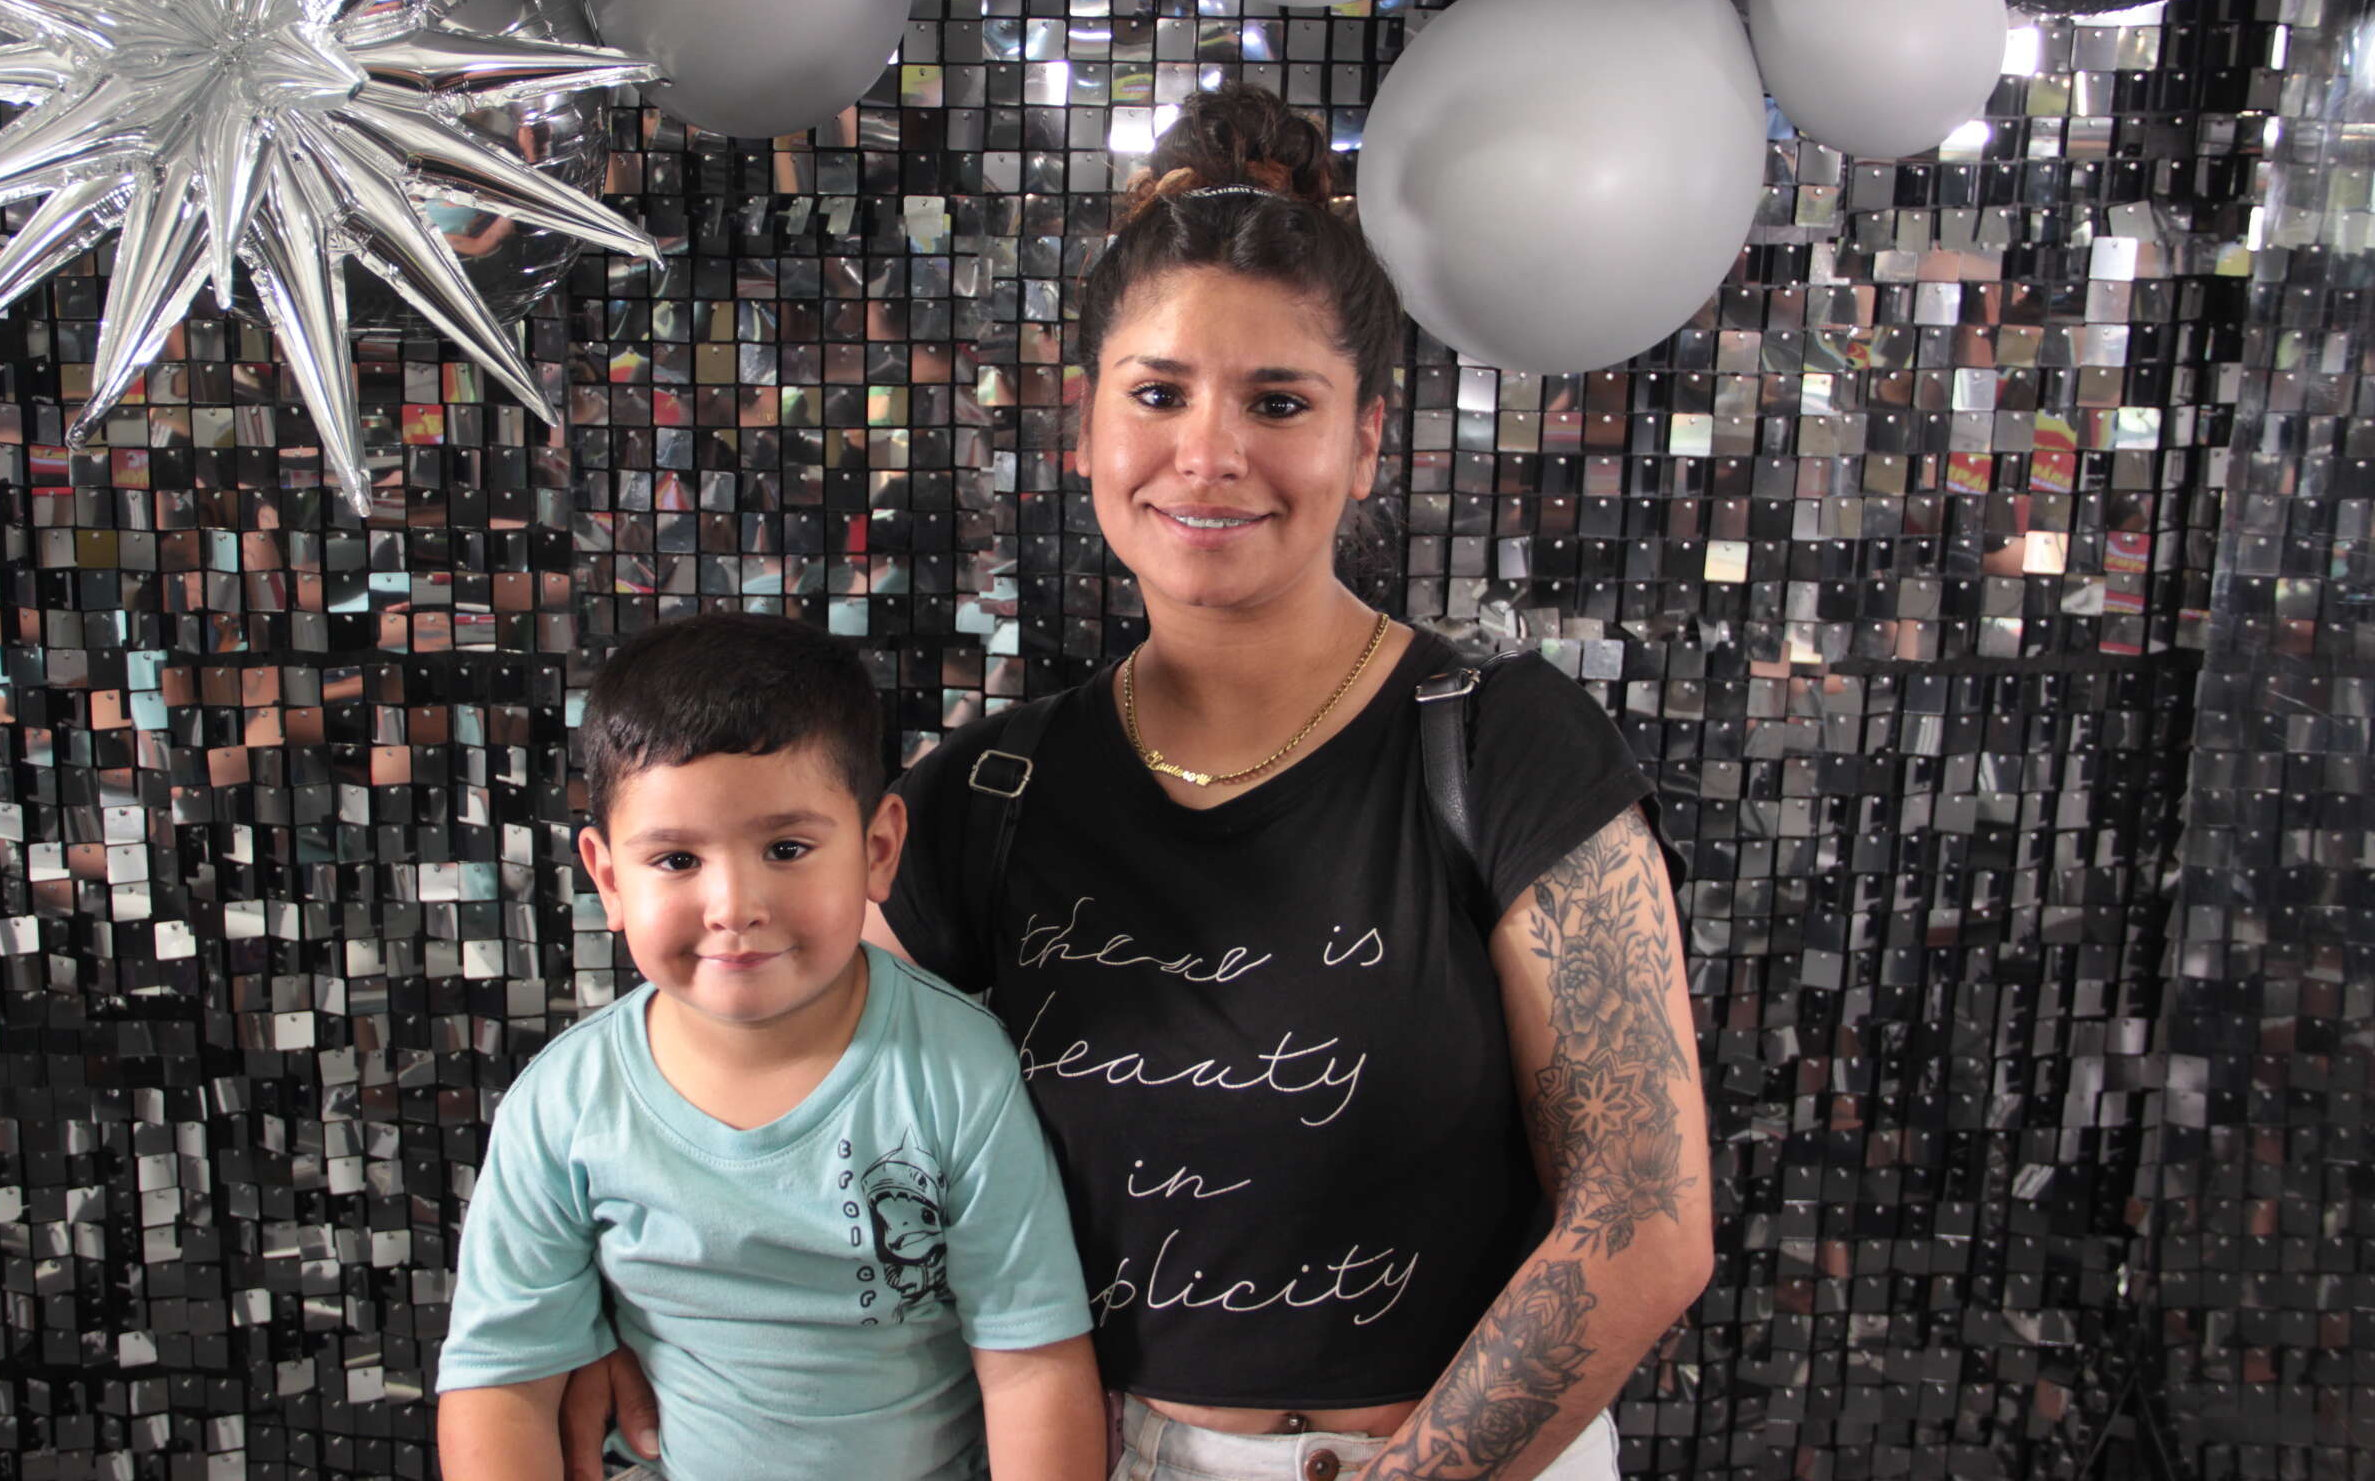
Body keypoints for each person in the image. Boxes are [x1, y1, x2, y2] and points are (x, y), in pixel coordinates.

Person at [556, 83, 1711, 1481]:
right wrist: (601, 1290)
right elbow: (756, 1047)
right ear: (1088, 427)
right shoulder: (995, 791)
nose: (1207, 456)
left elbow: (1644, 1219)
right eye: (1157, 395)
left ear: (1365, 440)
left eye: (1278, 402)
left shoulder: (1502, 745)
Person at [436, 613, 1106, 1481]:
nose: (734, 906)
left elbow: (1032, 1365)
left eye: (787, 849)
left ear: (878, 850)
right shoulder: (562, 1105)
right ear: (607, 878)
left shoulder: (960, 1073)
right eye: (676, 861)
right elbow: (502, 1384)